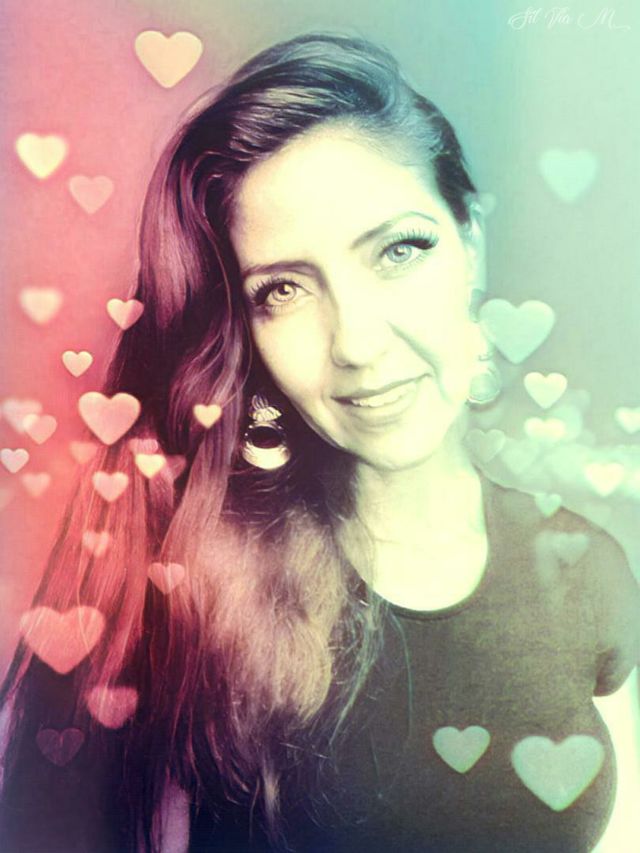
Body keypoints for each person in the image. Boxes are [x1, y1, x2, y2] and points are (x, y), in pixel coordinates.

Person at [1, 30, 639, 853]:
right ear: (246, 329)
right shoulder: (198, 592)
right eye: (283, 291)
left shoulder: (587, 568)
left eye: (399, 249)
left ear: (470, 243)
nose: (357, 343)